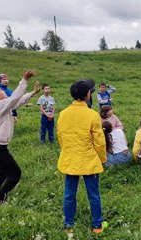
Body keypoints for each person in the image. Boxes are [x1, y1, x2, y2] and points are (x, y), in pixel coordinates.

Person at [0, 70, 40, 205]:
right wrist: (24, 80)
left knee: (2, 170)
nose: (3, 91)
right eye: (0, 91)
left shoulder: (1, 105)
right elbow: (14, 98)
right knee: (15, 174)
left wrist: (32, 93)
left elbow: (17, 101)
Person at [57, 80, 107, 237]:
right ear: (87, 95)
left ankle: (68, 225)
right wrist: (102, 159)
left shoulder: (63, 114)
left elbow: (61, 137)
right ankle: (97, 226)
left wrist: (67, 151)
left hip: (70, 158)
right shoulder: (92, 115)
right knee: (93, 194)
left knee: (69, 193)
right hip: (89, 159)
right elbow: (99, 141)